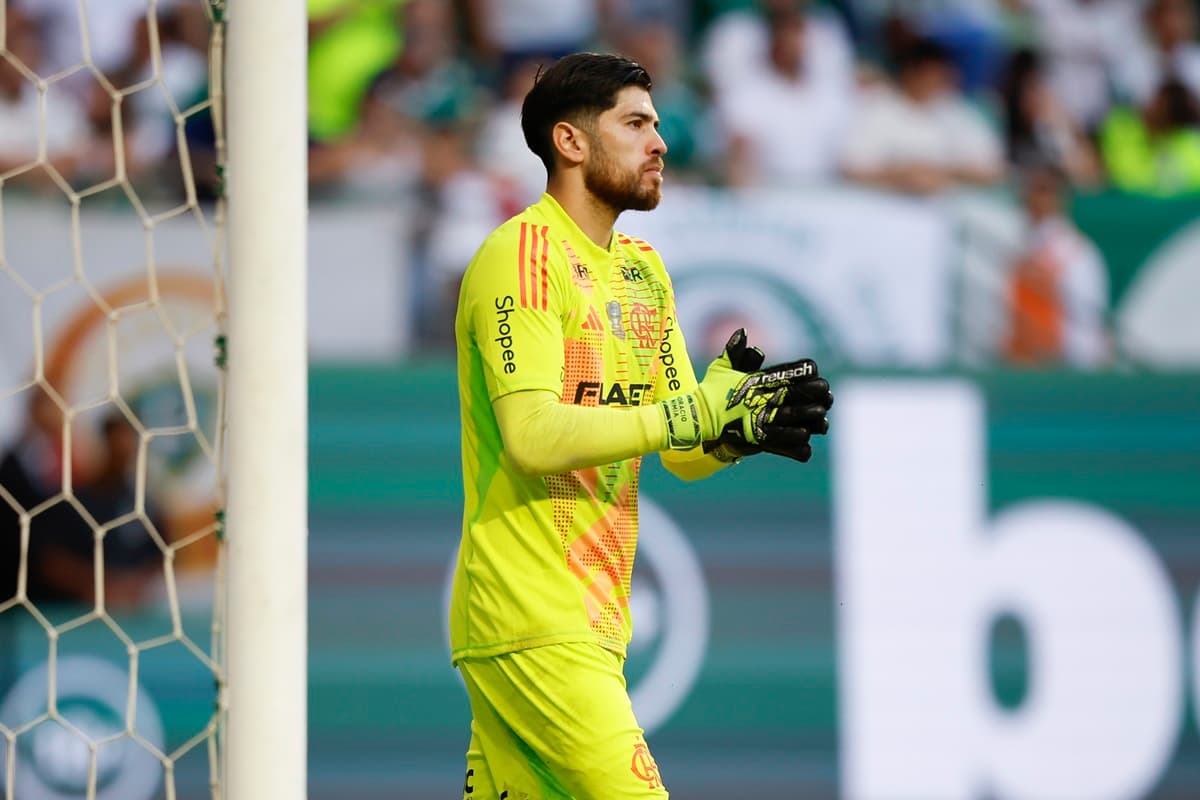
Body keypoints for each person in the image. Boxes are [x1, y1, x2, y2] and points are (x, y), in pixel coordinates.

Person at [449, 52, 834, 799]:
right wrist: (689, 413)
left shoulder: (643, 270)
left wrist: (731, 433)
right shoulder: (521, 258)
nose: (660, 142)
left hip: (590, 624)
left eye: (656, 126)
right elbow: (531, 436)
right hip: (535, 616)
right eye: (636, 124)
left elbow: (681, 450)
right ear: (571, 142)